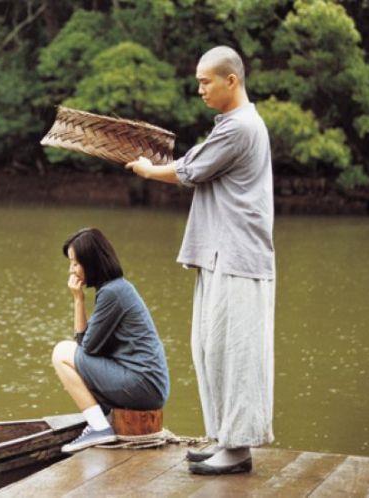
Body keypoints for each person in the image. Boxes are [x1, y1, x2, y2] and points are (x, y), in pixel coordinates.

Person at [126, 45, 275, 475]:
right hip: (220, 255)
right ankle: (224, 439)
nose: (199, 90)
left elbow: (192, 168)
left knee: (236, 355)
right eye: (197, 81)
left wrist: (147, 169)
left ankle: (237, 448)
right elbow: (197, 159)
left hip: (239, 258)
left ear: (232, 80)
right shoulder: (232, 125)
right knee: (210, 349)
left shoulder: (242, 127)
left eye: (205, 81)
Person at [51, 227, 170, 453]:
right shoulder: (114, 289)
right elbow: (91, 349)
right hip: (147, 385)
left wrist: (78, 301)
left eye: (75, 263)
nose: (71, 270)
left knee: (61, 353)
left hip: (144, 384)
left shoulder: (112, 293)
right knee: (72, 354)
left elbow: (85, 348)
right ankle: (102, 418)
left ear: (91, 262)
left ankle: (99, 427)